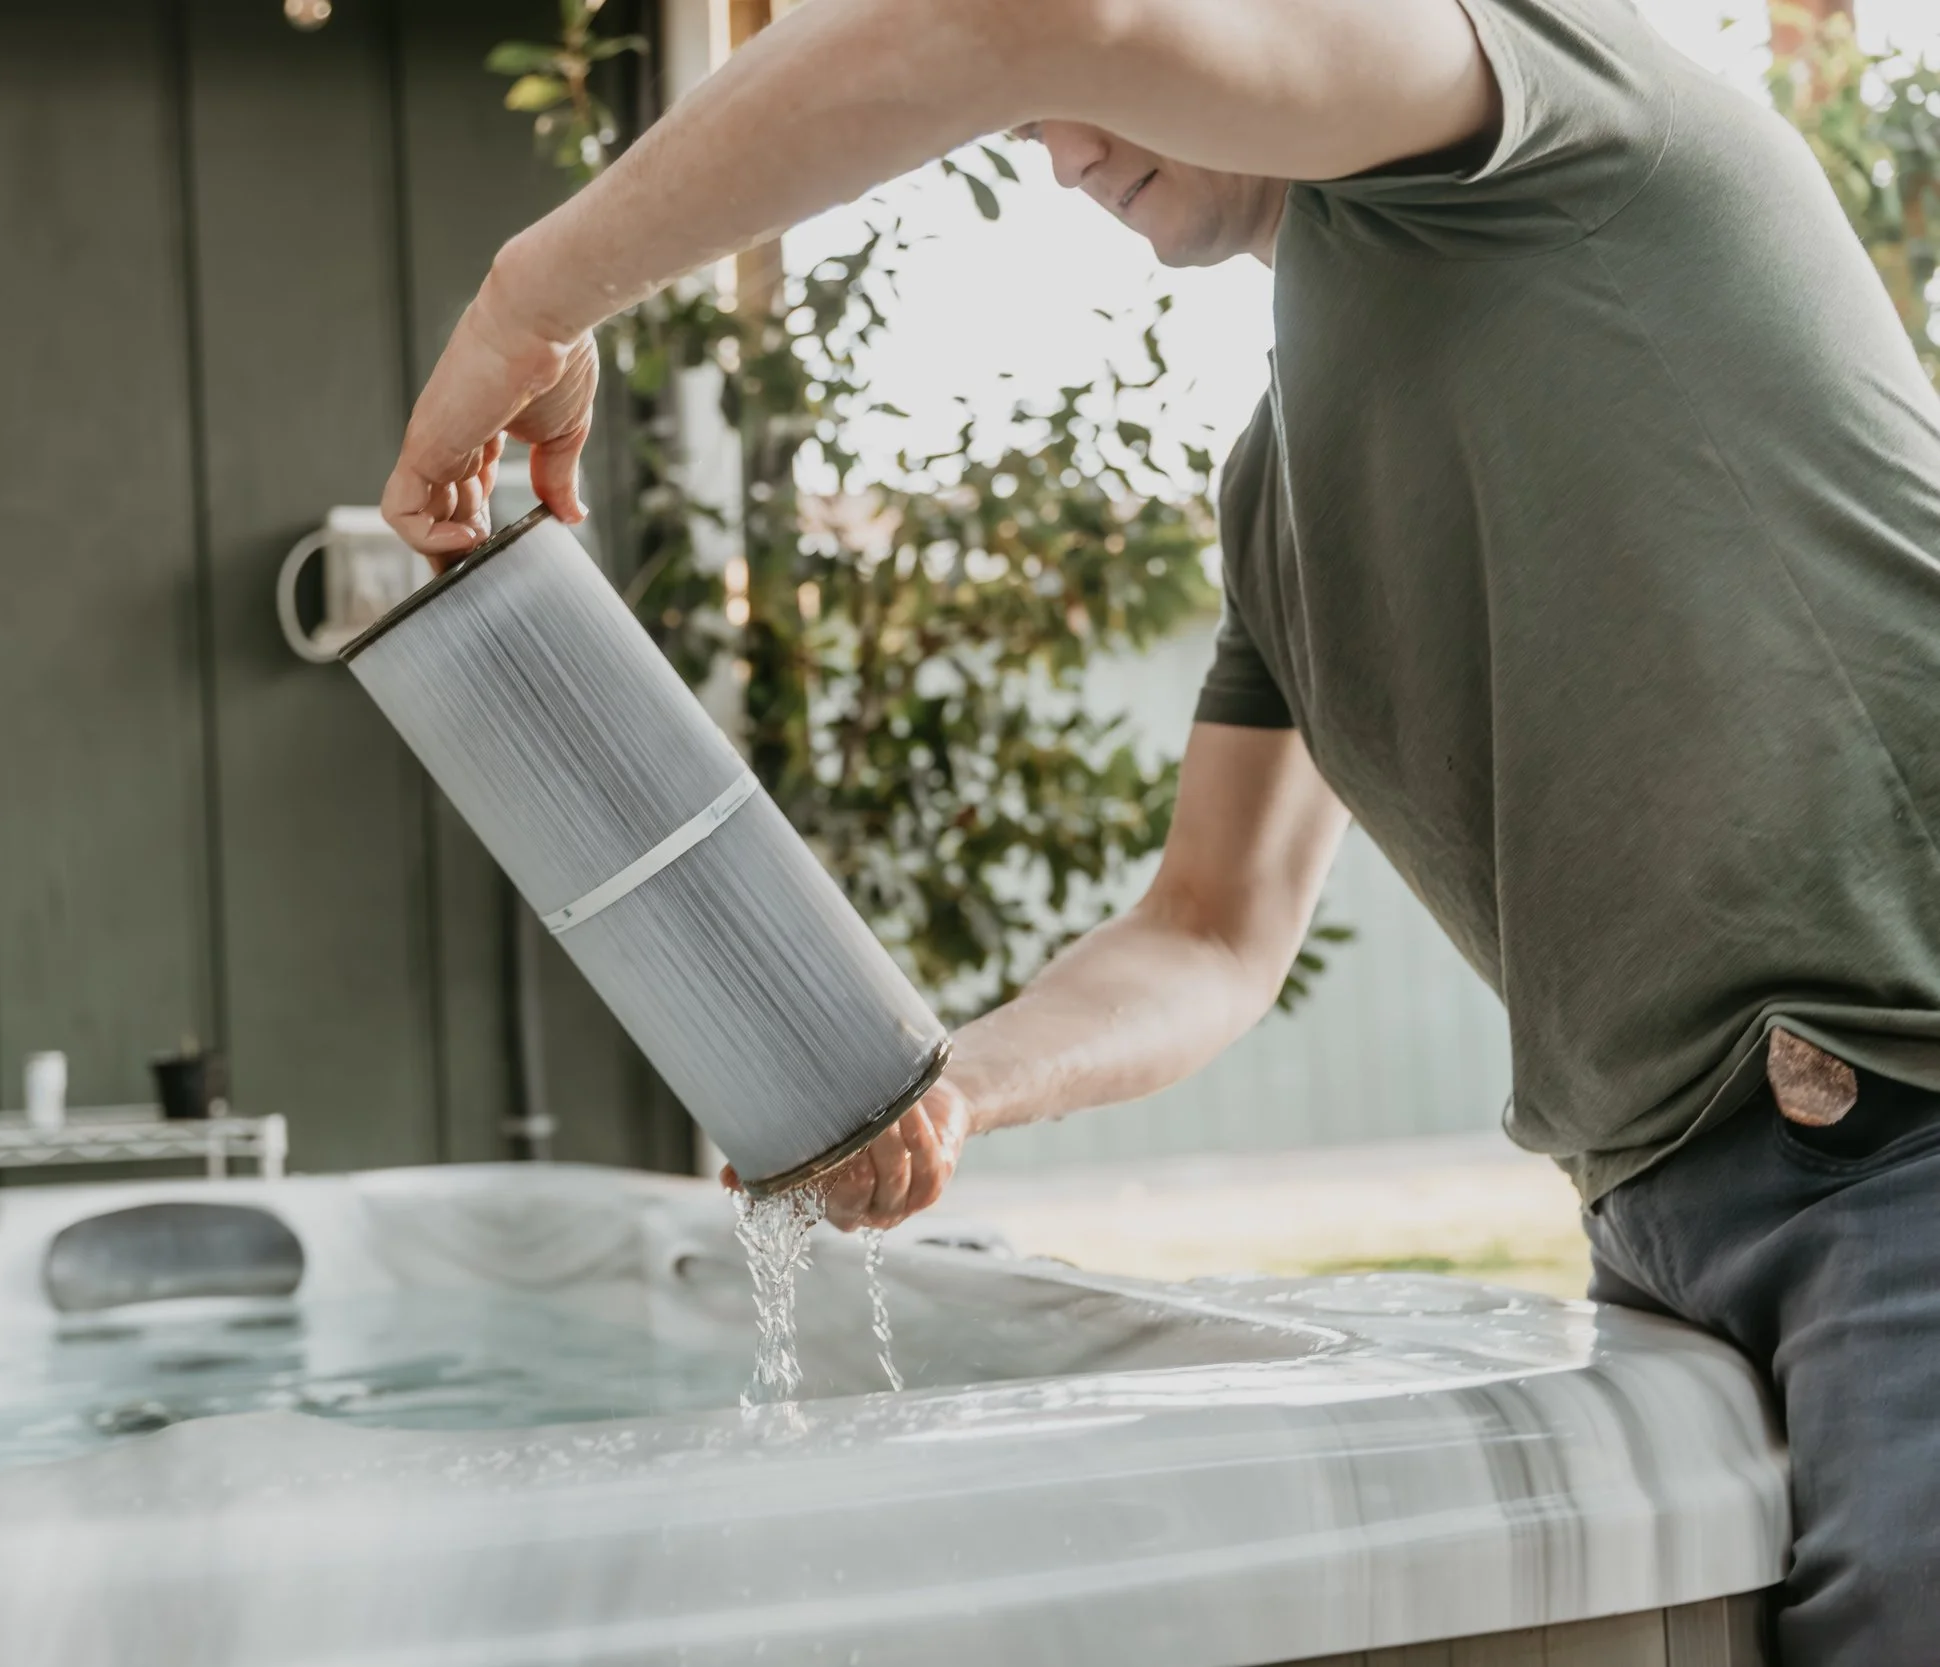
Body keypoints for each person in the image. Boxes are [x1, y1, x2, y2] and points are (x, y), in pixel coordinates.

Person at [380, 0, 1940, 1656]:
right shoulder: (1277, 496)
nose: (1062, 153)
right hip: (1672, 1224)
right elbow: (1210, 927)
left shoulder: (1544, 103)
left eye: (1073, 98)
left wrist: (526, 304)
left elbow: (1018, 19)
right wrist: (953, 1080)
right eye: (1029, 130)